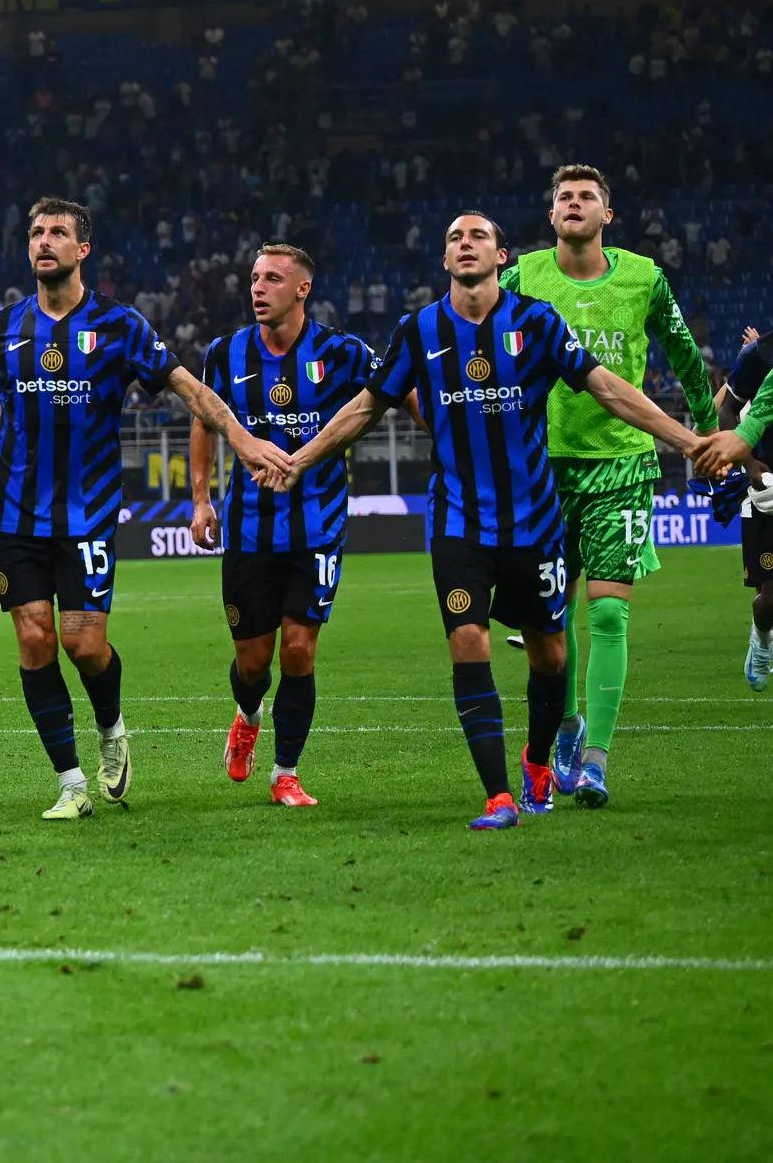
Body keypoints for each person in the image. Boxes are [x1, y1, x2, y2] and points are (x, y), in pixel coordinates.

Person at [274, 212, 713, 828]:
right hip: (458, 522)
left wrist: (688, 441)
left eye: (478, 236)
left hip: (534, 521)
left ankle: (537, 762)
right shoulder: (419, 330)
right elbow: (365, 407)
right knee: (468, 640)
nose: (466, 244)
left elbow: (607, 388)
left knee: (550, 656)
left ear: (502, 256)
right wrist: (299, 459)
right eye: (455, 237)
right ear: (444, 259)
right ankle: (498, 796)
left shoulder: (536, 321)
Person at [0, 198, 291, 821]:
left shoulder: (120, 324)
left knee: (83, 643)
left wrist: (240, 439)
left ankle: (110, 728)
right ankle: (70, 783)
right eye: (35, 232)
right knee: (34, 637)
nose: (43, 241)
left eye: (57, 232)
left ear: (82, 250)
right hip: (14, 516)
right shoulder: (3, 326)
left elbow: (187, 388)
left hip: (86, 516)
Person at [497, 165, 720, 807]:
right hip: (543, 467)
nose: (574, 203)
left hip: (621, 463)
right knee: (552, 613)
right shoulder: (522, 277)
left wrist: (707, 430)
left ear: (607, 215)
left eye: (586, 197)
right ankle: (566, 724)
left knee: (609, 611)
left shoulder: (644, 278)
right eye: (564, 197)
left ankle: (595, 759)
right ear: (551, 216)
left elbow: (684, 353)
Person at [186, 247, 379, 807]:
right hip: (249, 530)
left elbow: (394, 392)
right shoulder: (225, 353)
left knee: (298, 650)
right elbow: (204, 422)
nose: (258, 287)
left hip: (318, 527)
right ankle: (248, 714)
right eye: (254, 278)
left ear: (302, 289)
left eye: (272, 278)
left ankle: (285, 773)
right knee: (253, 663)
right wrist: (201, 501)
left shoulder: (343, 352)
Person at [719, 328, 773, 689]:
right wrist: (750, 466)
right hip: (767, 489)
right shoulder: (757, 354)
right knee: (768, 601)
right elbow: (728, 411)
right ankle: (762, 638)